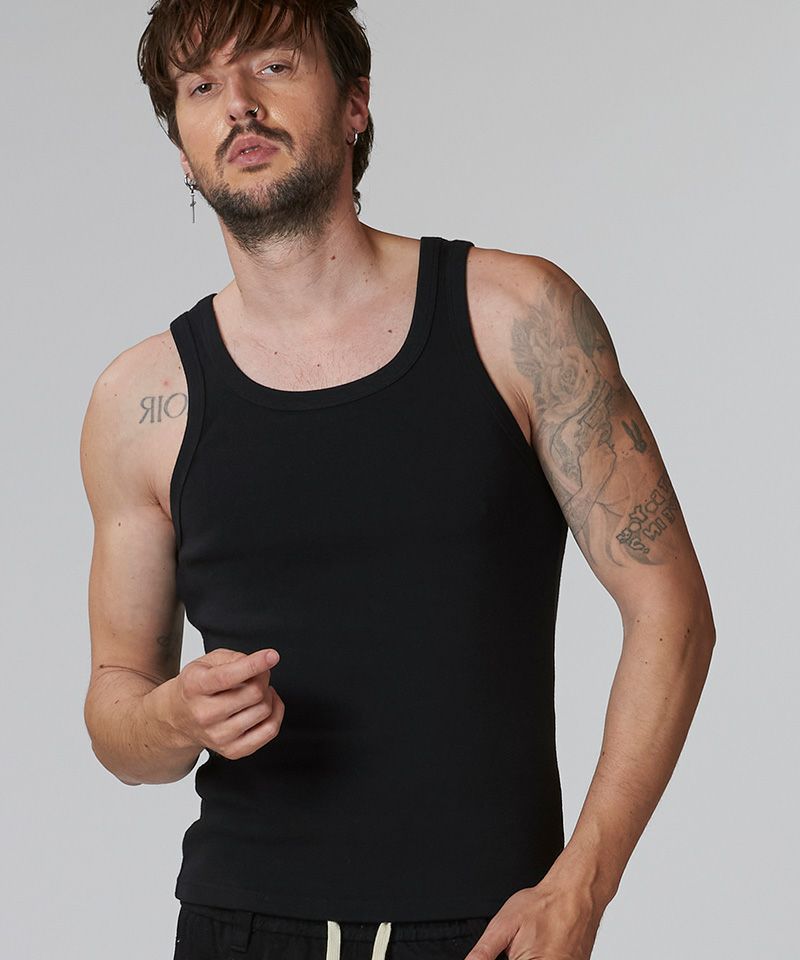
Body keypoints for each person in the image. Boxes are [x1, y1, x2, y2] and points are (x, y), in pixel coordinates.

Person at [79, 2, 716, 959]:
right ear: (182, 149)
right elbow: (116, 704)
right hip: (238, 925)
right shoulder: (139, 402)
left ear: (355, 104)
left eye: (274, 65)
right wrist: (172, 717)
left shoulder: (517, 318)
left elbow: (672, 611)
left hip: (489, 927)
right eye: (201, 86)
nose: (239, 102)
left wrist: (582, 883)